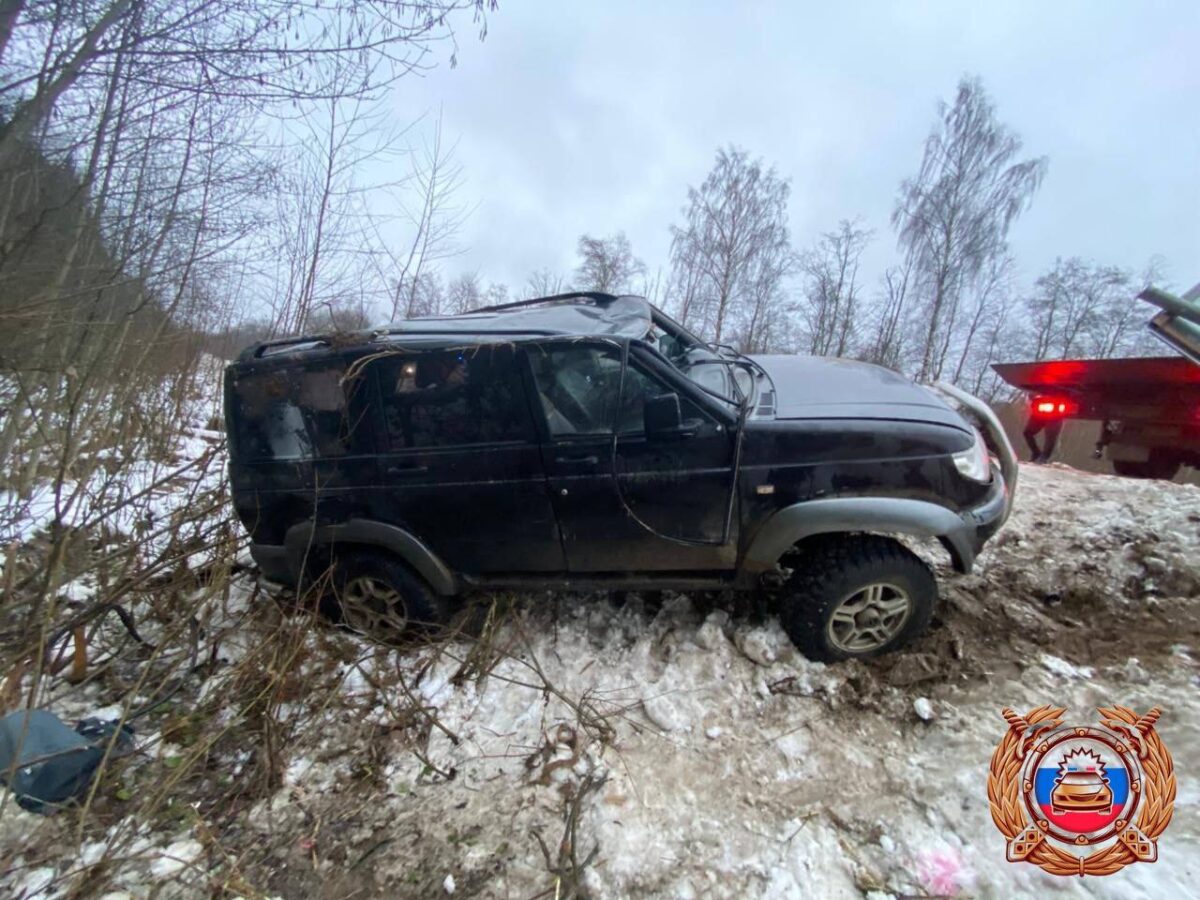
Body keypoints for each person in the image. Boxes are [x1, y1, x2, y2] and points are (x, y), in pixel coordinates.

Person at [1022, 396, 1064, 464]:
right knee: (1027, 432)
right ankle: (1036, 453)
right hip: (1040, 409)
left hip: (1055, 411)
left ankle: (1044, 457)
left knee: (1050, 436)